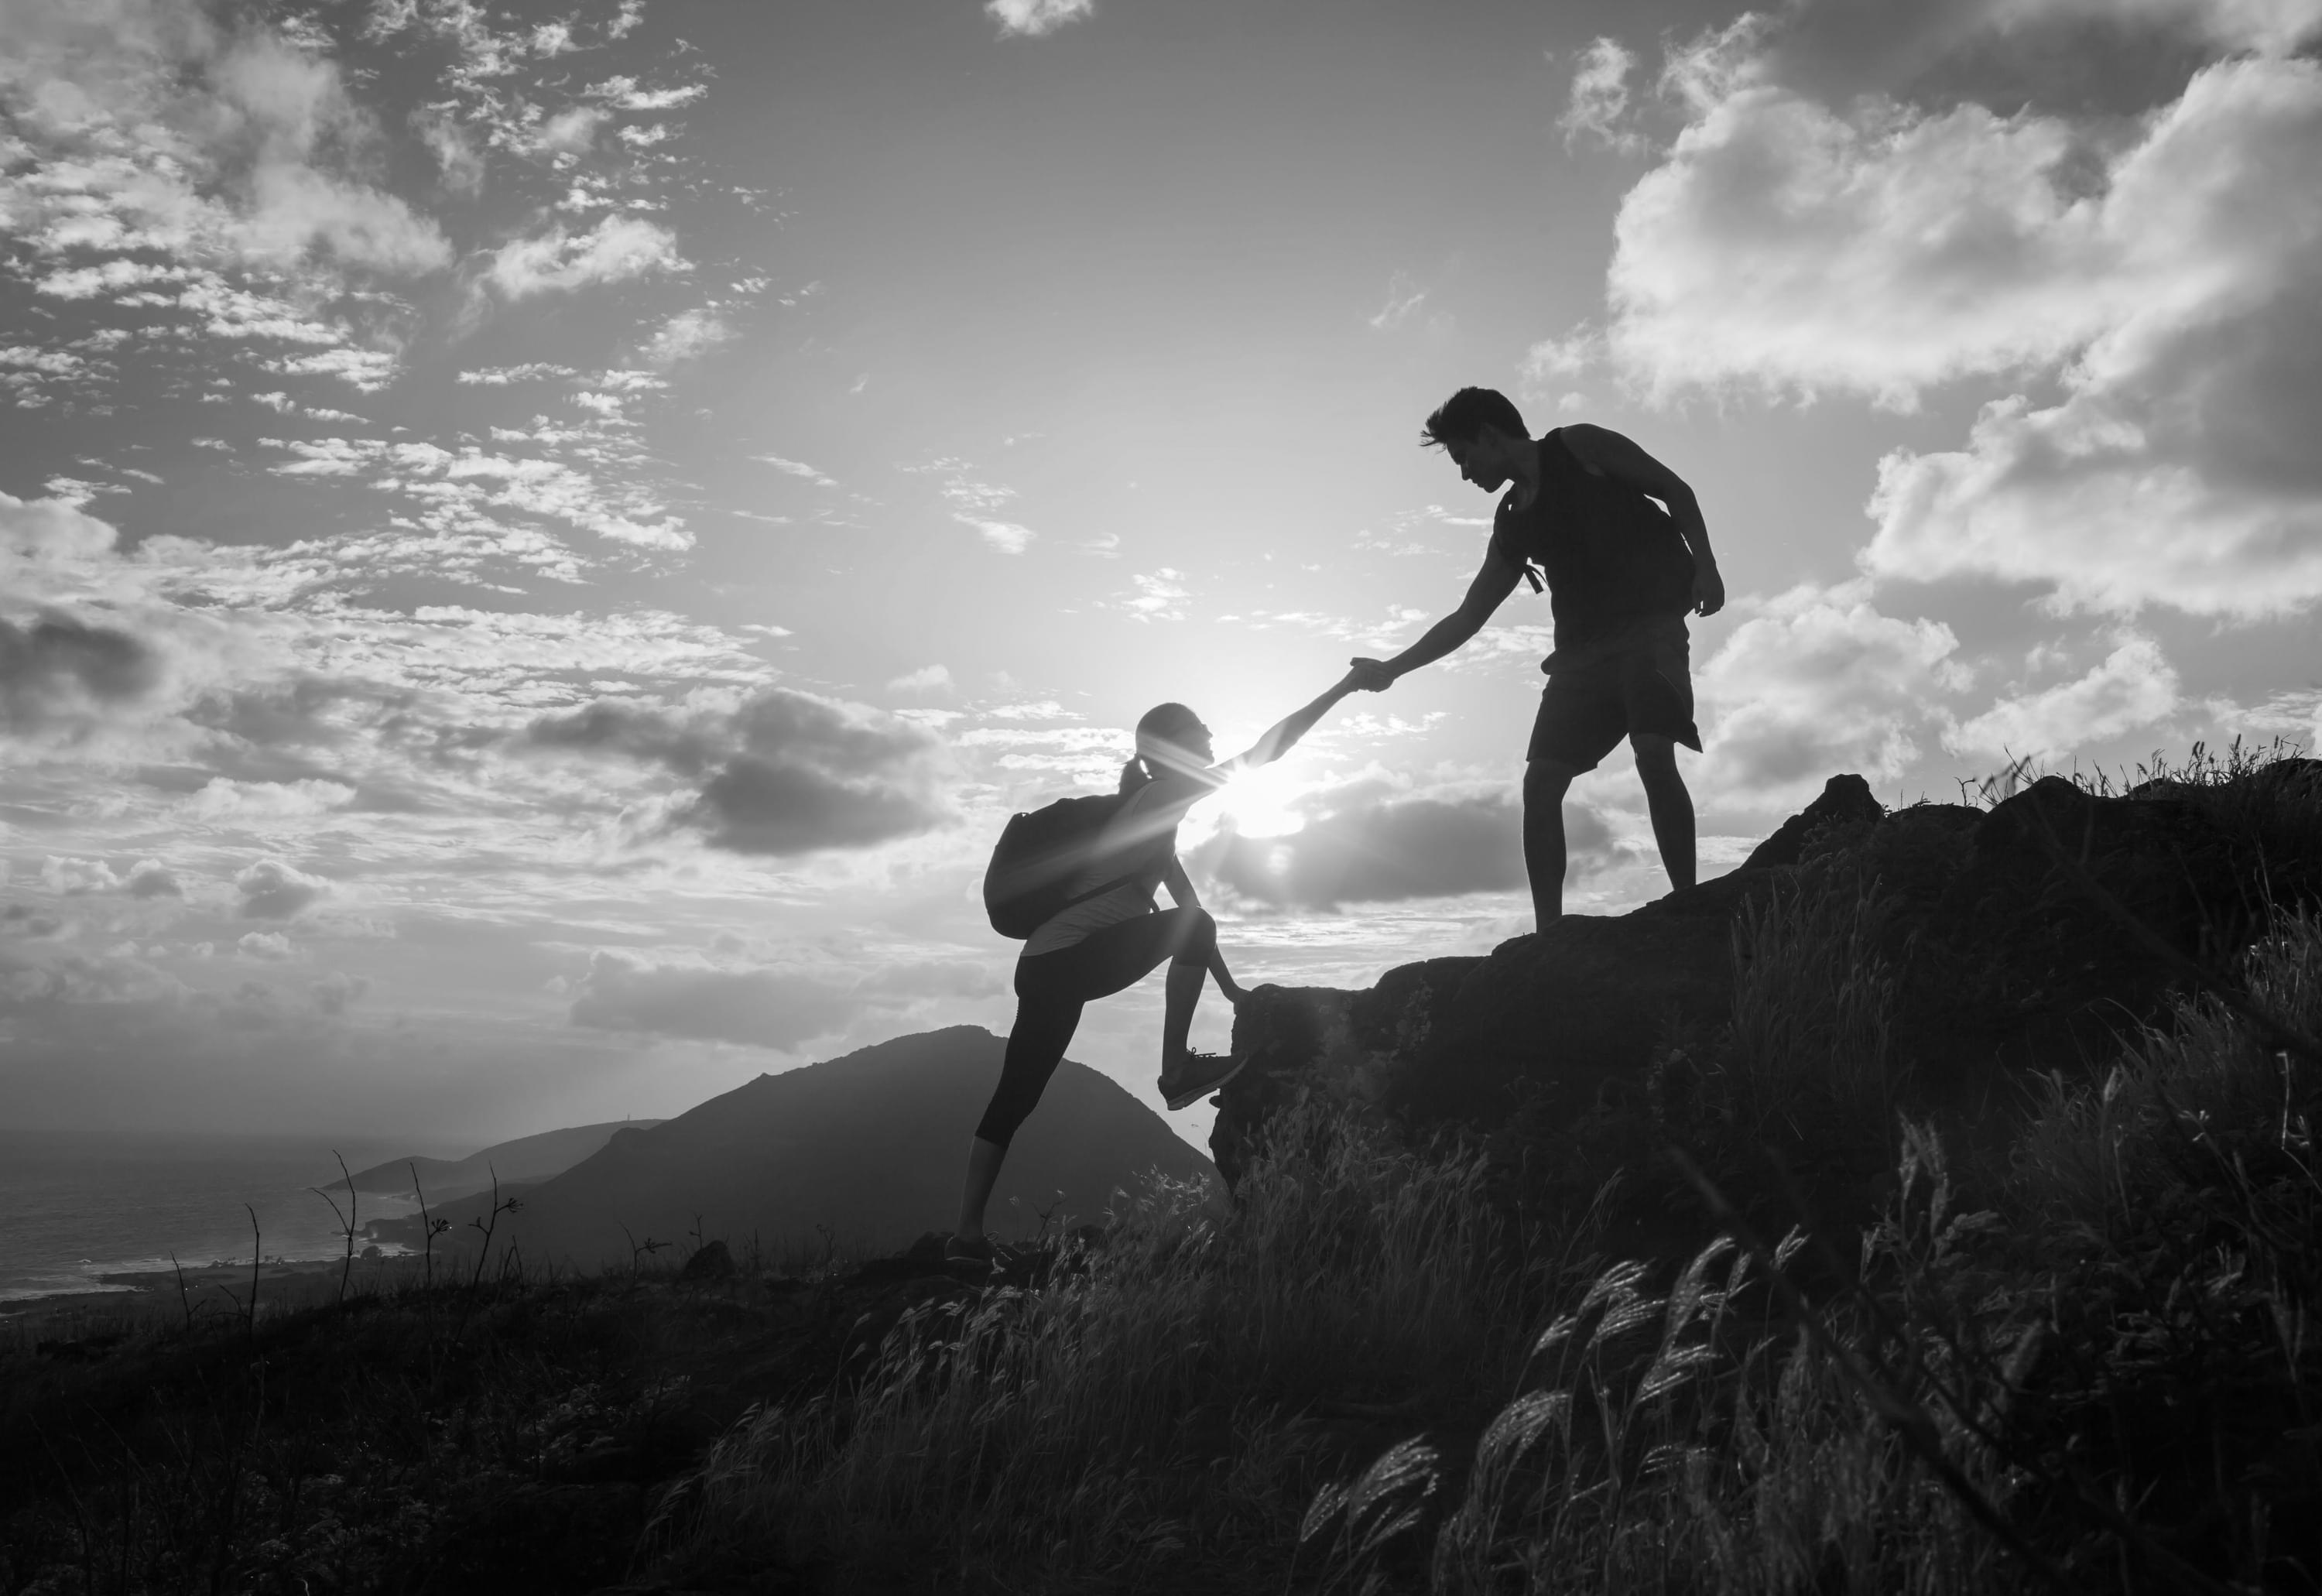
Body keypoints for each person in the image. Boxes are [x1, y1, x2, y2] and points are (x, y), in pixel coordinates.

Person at [952, 677, 1358, 1263]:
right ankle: (1175, 1070)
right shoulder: (1161, 796)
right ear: (1172, 747)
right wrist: (1342, 688)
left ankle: (965, 1237)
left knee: (1015, 1097)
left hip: (1045, 964)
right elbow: (1265, 752)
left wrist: (1231, 989)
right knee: (1019, 1094)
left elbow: (1189, 913)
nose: (1211, 735)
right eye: (1199, 729)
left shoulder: (1151, 823)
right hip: (1067, 961)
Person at [1348, 387, 1724, 926]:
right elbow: (1468, 615)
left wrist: (1706, 565)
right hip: (1580, 660)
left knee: (1652, 750)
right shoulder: (1512, 520)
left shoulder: (1580, 447)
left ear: (1489, 435)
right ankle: (1550, 934)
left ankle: (1689, 905)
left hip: (1650, 631)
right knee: (1541, 783)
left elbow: (1674, 489)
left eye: (1464, 457)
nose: (1464, 474)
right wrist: (1392, 669)